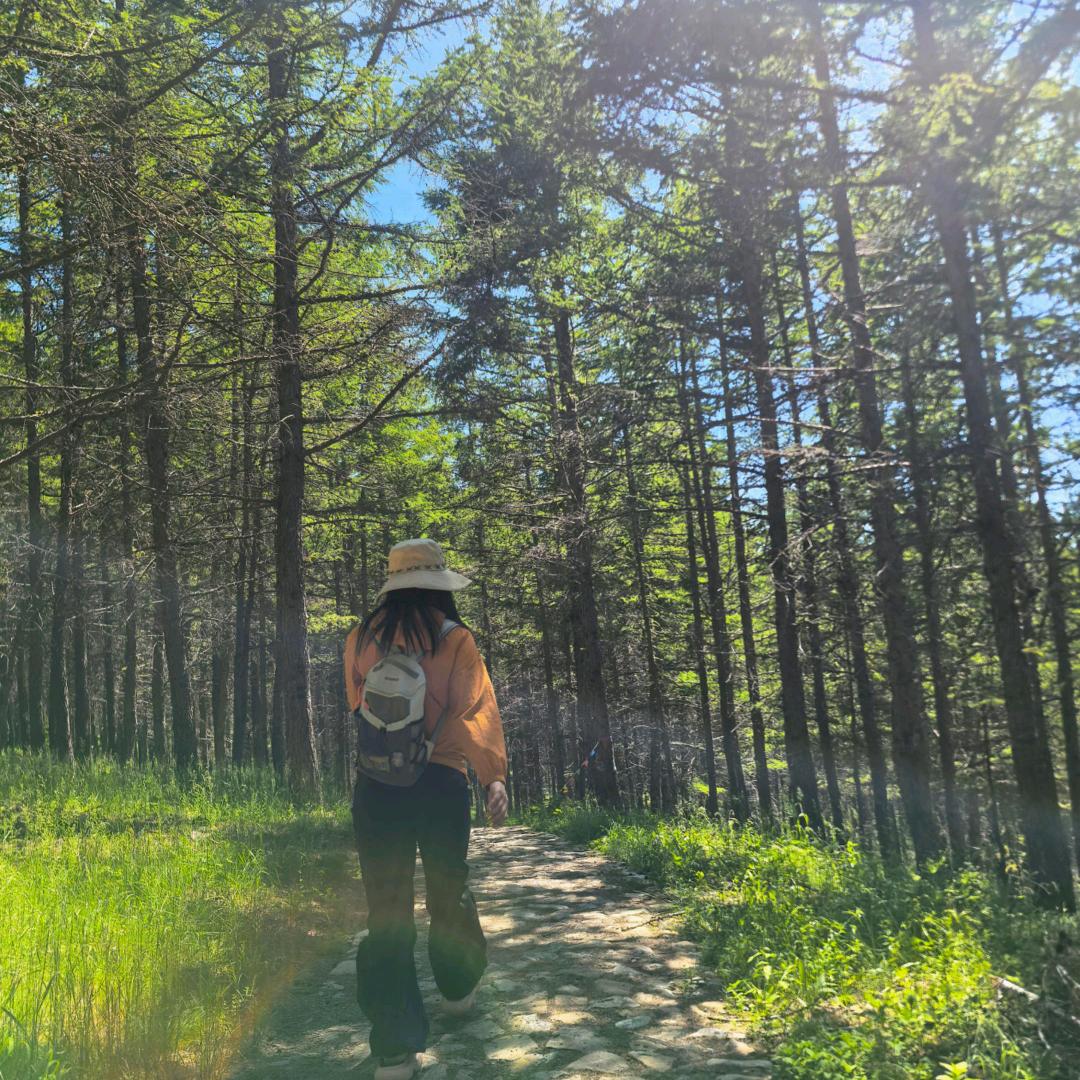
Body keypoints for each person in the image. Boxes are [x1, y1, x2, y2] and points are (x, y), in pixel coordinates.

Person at [343, 538, 509, 1080]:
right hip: (439, 780)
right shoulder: (455, 639)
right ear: (439, 585)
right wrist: (494, 777)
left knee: (385, 910)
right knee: (447, 886)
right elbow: (475, 712)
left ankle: (394, 1052)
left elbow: (355, 701)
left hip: (376, 786)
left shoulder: (362, 636)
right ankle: (458, 992)